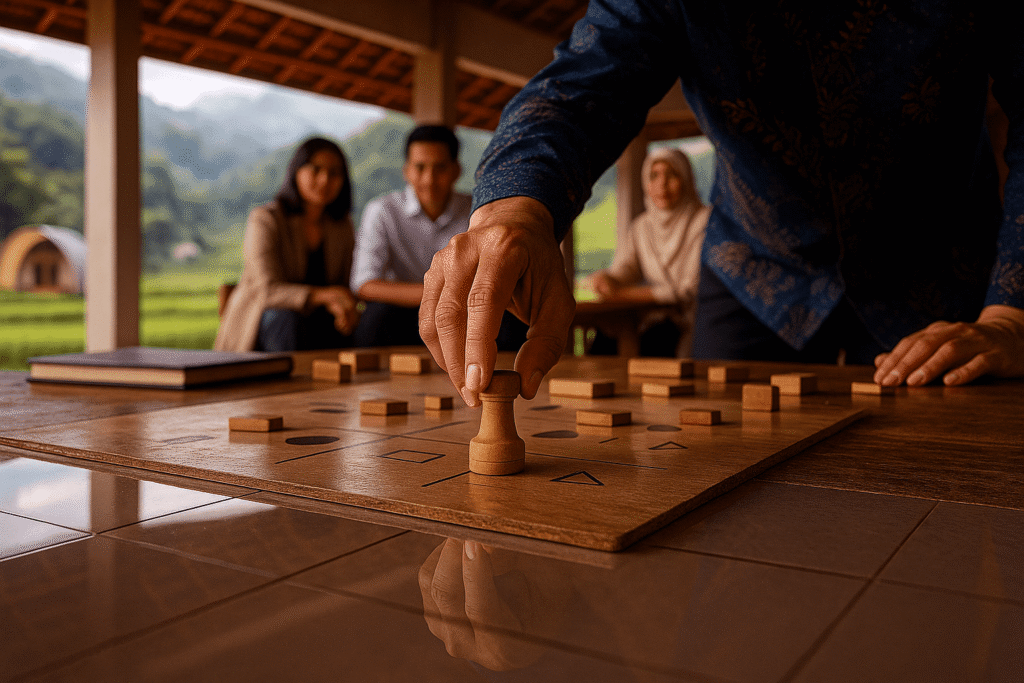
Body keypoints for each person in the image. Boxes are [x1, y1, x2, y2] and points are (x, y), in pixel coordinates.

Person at [420, 1, 1024, 407]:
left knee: (925, 520)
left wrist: (1011, 316)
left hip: (939, 276)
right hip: (752, 269)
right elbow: (580, 89)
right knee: (716, 526)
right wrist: (515, 209)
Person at [351, 124, 528, 349]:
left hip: (466, 313)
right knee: (376, 317)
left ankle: (509, 379)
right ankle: (370, 384)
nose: (429, 179)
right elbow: (364, 284)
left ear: (456, 170)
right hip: (404, 315)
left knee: (507, 317)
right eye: (420, 167)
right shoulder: (382, 211)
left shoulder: (479, 211)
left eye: (440, 168)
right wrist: (434, 294)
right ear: (406, 170)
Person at [215, 137, 359, 352]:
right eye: (316, 169)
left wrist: (342, 307)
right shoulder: (265, 219)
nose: (324, 180)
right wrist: (324, 296)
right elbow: (266, 290)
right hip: (266, 322)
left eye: (335, 173)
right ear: (296, 171)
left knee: (369, 322)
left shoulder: (342, 225)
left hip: (318, 321)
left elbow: (344, 286)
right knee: (286, 319)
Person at [588, 147, 709, 357]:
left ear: (687, 179)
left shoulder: (704, 221)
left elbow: (687, 289)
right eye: (654, 175)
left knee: (655, 341)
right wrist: (609, 279)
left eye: (672, 174)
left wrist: (624, 294)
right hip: (650, 319)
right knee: (604, 341)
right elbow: (626, 269)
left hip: (692, 320)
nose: (662, 183)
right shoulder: (642, 227)